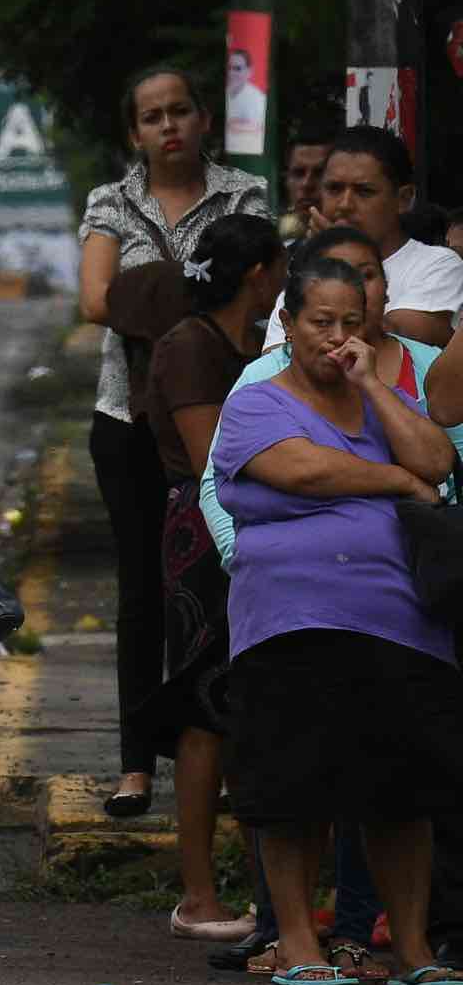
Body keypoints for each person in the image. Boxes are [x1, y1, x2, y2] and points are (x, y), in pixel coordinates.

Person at [199, 226, 461, 977]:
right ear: (287, 324)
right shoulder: (257, 402)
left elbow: (438, 458)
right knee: (293, 792)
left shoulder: (380, 395)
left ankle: (413, 950)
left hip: (401, 622)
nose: (338, 338)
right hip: (290, 621)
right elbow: (305, 471)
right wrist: (397, 480)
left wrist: (374, 384)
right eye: (321, 322)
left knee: (402, 796)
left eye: (353, 322)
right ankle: (302, 946)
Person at [77, 66, 269, 818]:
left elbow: (252, 287)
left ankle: (214, 758)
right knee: (142, 593)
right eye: (152, 116)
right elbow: (94, 298)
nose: (169, 126)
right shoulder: (110, 202)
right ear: (136, 133)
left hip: (217, 412)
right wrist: (195, 297)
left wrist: (149, 296)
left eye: (180, 111)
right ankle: (134, 767)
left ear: (204, 119)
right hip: (125, 418)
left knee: (220, 585)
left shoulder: (243, 196)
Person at [139, 215, 284, 942]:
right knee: (204, 707)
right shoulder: (193, 348)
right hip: (207, 534)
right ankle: (197, 894)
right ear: (261, 273)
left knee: (232, 703)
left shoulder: (238, 345)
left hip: (235, 527)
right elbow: (210, 464)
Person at [264, 127, 463, 351]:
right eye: (334, 189)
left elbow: (401, 344)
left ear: (404, 199)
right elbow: (275, 362)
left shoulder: (438, 265)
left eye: (364, 191)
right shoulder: (305, 274)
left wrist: (342, 258)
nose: (345, 204)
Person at [281, 127, 332, 243]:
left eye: (320, 173)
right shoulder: (282, 252)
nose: (306, 184)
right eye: (298, 173)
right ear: (286, 179)